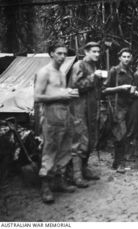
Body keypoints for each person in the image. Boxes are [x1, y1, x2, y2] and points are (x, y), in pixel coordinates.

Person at [34, 41, 79, 204]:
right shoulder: (44, 72)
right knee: (51, 149)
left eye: (64, 54)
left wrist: (67, 92)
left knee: (65, 148)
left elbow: (57, 91)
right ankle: (45, 186)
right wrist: (61, 96)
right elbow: (38, 97)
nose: (62, 56)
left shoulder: (61, 72)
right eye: (59, 53)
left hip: (64, 114)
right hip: (51, 114)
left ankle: (59, 181)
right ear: (51, 53)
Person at [69, 42, 102, 188]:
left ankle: (84, 168)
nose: (97, 54)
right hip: (79, 108)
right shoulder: (79, 65)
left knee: (91, 139)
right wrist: (94, 77)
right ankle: (76, 175)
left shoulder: (93, 66)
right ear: (86, 52)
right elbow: (76, 87)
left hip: (92, 107)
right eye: (94, 51)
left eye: (98, 52)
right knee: (80, 140)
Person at [102, 48, 134, 173]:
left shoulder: (130, 72)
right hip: (116, 106)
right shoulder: (114, 70)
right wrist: (120, 88)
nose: (126, 59)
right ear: (120, 58)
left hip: (127, 106)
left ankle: (117, 162)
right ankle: (120, 163)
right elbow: (104, 90)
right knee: (120, 135)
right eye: (124, 56)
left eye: (128, 57)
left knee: (124, 135)